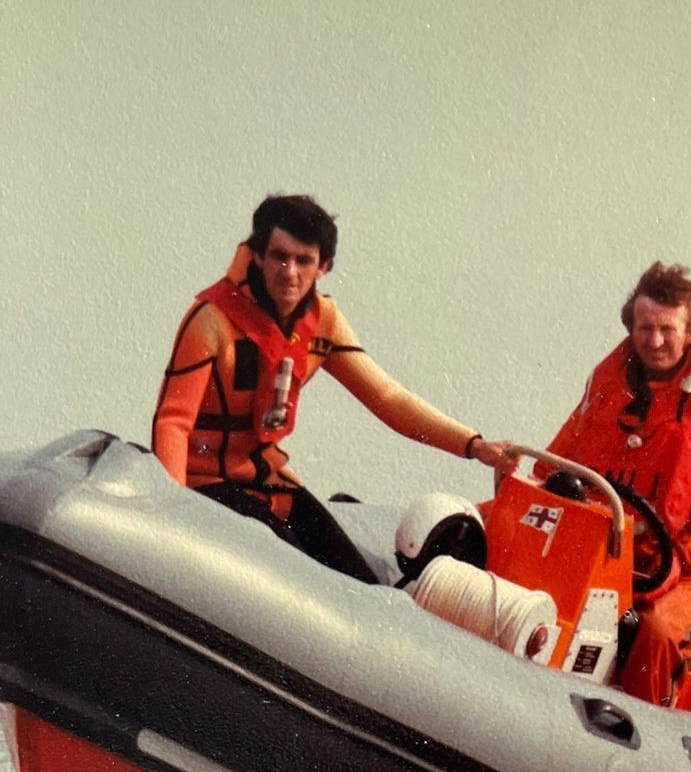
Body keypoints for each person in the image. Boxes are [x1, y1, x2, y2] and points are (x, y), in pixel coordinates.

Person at [152, 194, 508, 580]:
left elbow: (389, 399)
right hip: (206, 485)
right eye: (279, 257)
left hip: (271, 484)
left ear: (323, 267)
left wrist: (472, 444)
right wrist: (174, 515)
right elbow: (173, 422)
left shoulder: (324, 323)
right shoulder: (211, 319)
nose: (290, 272)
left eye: (304, 260)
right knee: (300, 577)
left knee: (361, 584)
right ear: (257, 255)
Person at [547, 262, 691, 706]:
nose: (654, 341)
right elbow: (555, 465)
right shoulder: (606, 392)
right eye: (644, 328)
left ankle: (637, 725)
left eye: (667, 330)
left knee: (657, 631)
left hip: (688, 571)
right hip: (599, 547)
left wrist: (684, 553)